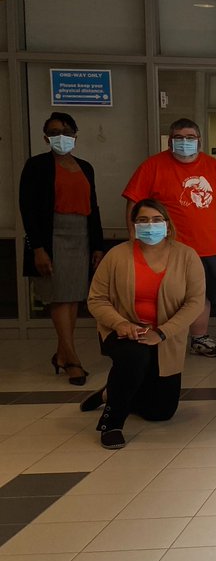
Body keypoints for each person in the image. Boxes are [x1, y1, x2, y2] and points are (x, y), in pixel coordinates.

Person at [81, 199, 205, 449]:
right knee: (135, 357)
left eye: (157, 220)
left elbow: (195, 303)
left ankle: (110, 392)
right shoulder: (117, 255)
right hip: (123, 332)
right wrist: (120, 324)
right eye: (143, 220)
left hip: (163, 337)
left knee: (160, 412)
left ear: (168, 225)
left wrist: (161, 333)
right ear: (134, 225)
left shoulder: (186, 256)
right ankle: (112, 422)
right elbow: (96, 299)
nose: (150, 225)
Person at [123, 118, 216, 358]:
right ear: (170, 141)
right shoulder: (153, 166)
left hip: (208, 247)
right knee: (165, 294)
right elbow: (133, 202)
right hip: (166, 248)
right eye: (179, 138)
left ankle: (200, 337)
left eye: (190, 138)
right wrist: (134, 235)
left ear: (199, 141)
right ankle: (162, 336)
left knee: (203, 295)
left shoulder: (214, 167)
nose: (184, 142)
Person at [19, 112, 104, 385]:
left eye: (67, 131)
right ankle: (72, 359)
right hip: (51, 236)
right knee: (58, 296)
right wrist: (38, 248)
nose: (61, 136)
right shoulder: (36, 166)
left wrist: (98, 246)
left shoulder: (85, 167)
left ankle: (61, 354)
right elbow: (28, 210)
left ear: (75, 135)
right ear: (46, 137)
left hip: (80, 236)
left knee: (73, 298)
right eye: (55, 131)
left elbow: (94, 207)